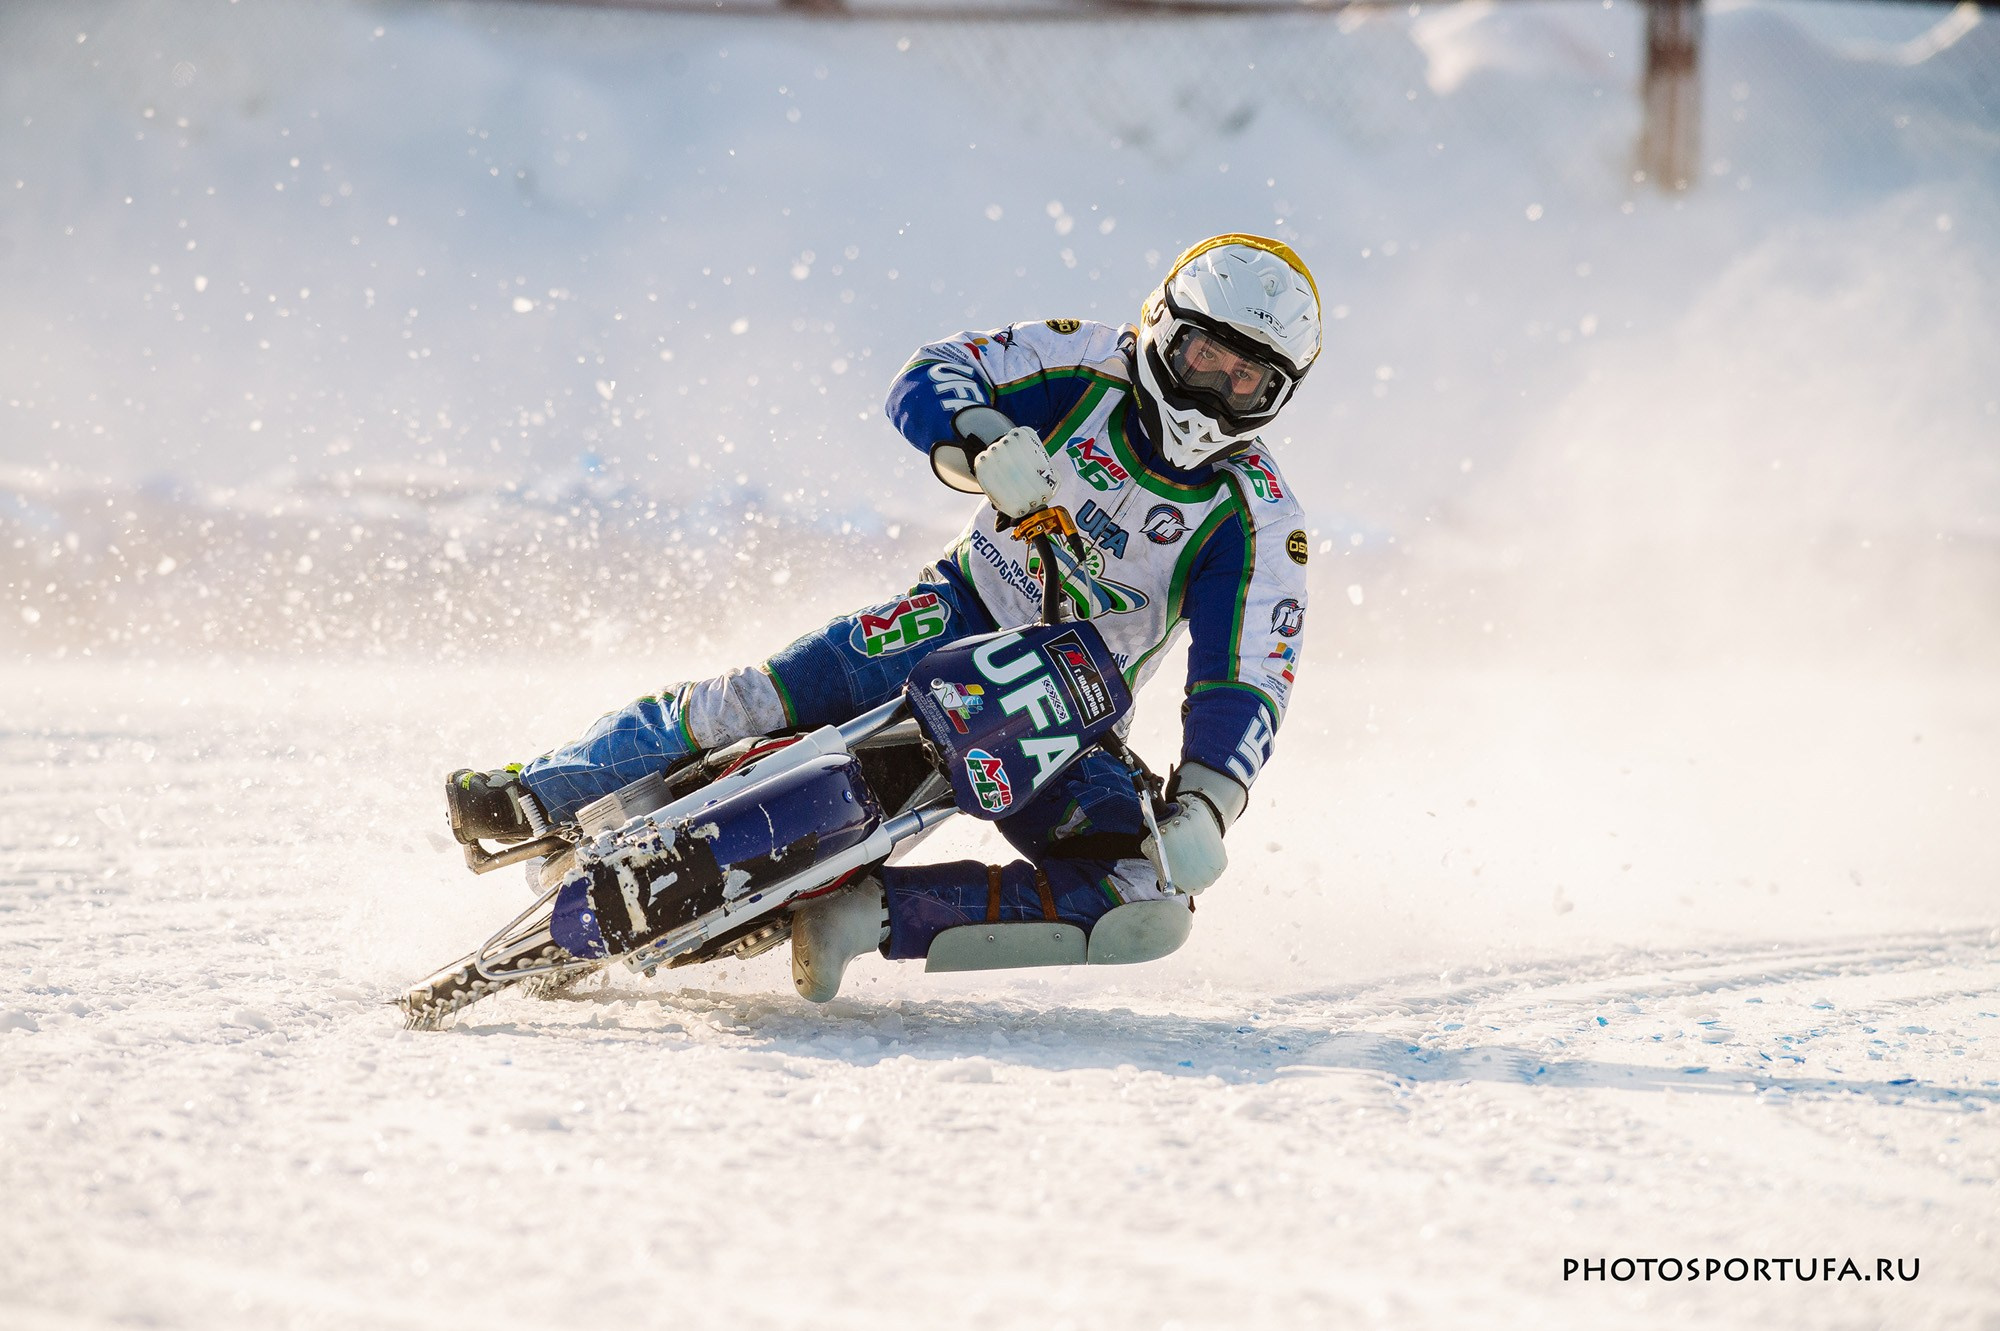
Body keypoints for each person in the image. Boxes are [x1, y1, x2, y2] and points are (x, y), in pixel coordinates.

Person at [446, 233, 1320, 1002]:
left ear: (1280, 396)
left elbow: (1246, 674)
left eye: (1249, 380)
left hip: (1068, 716)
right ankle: (538, 791)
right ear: (1165, 327)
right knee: (759, 697)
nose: (1216, 392)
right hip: (956, 608)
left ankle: (860, 917)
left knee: (1148, 903)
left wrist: (1207, 804)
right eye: (1207, 355)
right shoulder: (1082, 361)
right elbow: (932, 370)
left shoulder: (1259, 520)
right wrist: (977, 442)